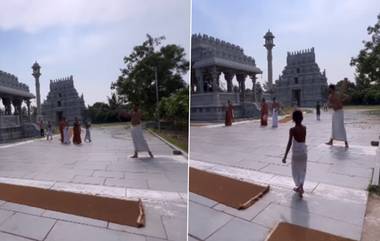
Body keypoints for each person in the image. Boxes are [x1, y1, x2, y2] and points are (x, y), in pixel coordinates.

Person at [282, 110, 307, 198]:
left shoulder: (292, 130)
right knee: (302, 170)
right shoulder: (304, 128)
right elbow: (303, 141)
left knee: (295, 170)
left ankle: (299, 186)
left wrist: (285, 156)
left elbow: (289, 143)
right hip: (303, 153)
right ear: (302, 118)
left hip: (296, 154)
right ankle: (301, 187)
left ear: (293, 119)